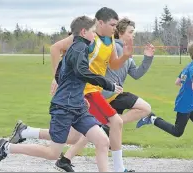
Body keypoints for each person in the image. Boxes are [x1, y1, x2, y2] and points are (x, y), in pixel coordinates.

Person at [8, 7, 134, 172]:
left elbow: (113, 65)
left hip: (91, 91)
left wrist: (125, 56)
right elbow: (55, 48)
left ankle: (26, 132)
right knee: (115, 123)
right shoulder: (86, 39)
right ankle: (119, 169)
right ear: (100, 22)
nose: (115, 29)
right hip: (86, 91)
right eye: (112, 24)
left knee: (73, 137)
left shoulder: (109, 39)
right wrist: (57, 78)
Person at [53, 18, 155, 171]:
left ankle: (65, 158)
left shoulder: (125, 53)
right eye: (130, 32)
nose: (133, 35)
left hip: (113, 94)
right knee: (141, 110)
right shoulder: (109, 47)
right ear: (120, 33)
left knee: (93, 131)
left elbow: (136, 74)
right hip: (105, 93)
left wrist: (147, 58)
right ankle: (117, 164)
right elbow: (89, 60)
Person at [136, 41, 193, 165]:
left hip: (191, 104)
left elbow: (177, 81)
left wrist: (191, 83)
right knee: (177, 132)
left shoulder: (189, 66)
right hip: (185, 105)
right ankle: (152, 118)